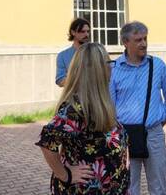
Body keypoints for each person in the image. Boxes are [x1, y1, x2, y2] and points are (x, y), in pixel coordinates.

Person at [37, 42, 129, 194]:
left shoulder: (100, 102)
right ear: (97, 69)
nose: (111, 67)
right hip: (85, 189)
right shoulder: (76, 108)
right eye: (108, 63)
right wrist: (65, 175)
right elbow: (47, 142)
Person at [109, 21, 166, 195]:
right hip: (125, 136)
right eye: (138, 40)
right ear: (125, 42)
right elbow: (109, 105)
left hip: (153, 134)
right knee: (129, 187)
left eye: (145, 39)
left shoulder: (158, 65)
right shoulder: (114, 68)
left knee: (158, 186)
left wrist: (161, 120)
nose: (144, 43)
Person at [56, 18, 90, 87]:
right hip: (74, 96)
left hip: (94, 95)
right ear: (73, 32)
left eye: (88, 31)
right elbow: (60, 80)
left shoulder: (96, 52)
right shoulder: (63, 56)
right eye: (82, 31)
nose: (86, 34)